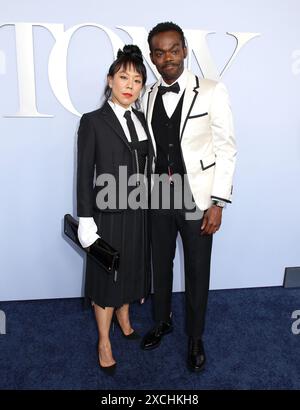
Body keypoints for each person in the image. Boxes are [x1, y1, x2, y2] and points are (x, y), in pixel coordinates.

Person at [141, 22, 237, 372]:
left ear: (184, 50)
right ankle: (162, 320)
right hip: (158, 196)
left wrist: (218, 202)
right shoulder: (147, 94)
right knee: (160, 264)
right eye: (159, 52)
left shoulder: (212, 90)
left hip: (197, 199)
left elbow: (226, 149)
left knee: (197, 271)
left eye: (174, 49)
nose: (168, 57)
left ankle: (195, 337)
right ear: (152, 56)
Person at [76, 45, 154, 374]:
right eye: (123, 77)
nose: (129, 85)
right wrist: (85, 218)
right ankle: (103, 341)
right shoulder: (93, 121)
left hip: (138, 212)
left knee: (133, 269)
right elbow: (84, 173)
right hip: (106, 214)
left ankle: (125, 316)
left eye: (136, 80)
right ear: (110, 80)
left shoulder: (140, 119)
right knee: (107, 278)